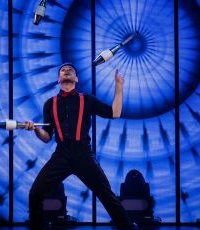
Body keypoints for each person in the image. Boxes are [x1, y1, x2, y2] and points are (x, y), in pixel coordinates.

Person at [24, 63, 134, 229]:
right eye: (63, 70)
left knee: (107, 195)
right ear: (59, 79)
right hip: (61, 155)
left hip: (84, 155)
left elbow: (115, 113)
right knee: (35, 194)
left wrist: (119, 86)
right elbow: (47, 137)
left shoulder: (87, 99)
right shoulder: (49, 104)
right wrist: (36, 129)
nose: (66, 70)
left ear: (76, 78)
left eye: (70, 70)